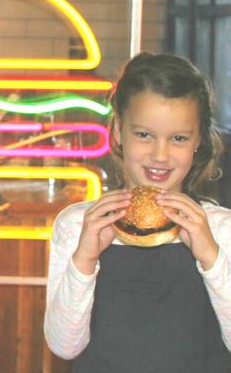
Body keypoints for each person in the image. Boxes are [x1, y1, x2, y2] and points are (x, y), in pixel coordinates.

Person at [44, 52, 231, 372]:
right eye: (144, 134)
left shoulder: (220, 227)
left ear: (197, 139)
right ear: (117, 130)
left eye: (178, 138)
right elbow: (63, 346)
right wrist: (85, 259)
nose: (160, 155)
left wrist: (211, 257)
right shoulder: (77, 225)